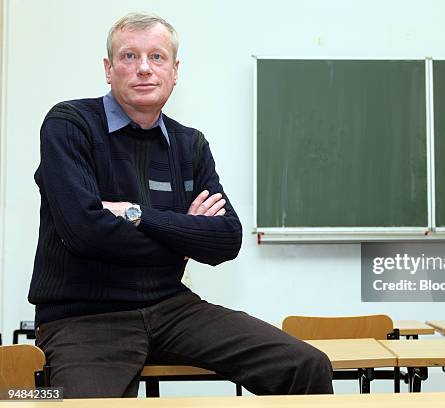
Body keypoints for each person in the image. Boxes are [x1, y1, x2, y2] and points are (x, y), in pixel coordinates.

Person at [28, 12, 333, 398]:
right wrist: (183, 237)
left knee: (305, 365)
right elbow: (84, 233)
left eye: (156, 57)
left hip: (172, 308)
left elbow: (225, 240)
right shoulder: (69, 124)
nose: (143, 69)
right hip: (84, 318)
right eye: (128, 57)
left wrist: (135, 214)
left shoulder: (190, 144)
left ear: (175, 70)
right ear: (108, 69)